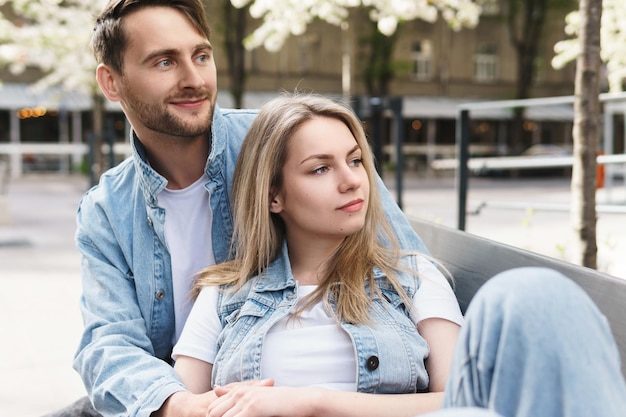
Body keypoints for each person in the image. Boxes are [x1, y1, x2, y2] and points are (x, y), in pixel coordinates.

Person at [48, 1, 429, 417]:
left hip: (284, 385)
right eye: (163, 62)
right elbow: (109, 342)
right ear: (112, 82)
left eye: (201, 56)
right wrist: (182, 405)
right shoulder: (107, 209)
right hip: (172, 394)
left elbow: (400, 269)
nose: (193, 79)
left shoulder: (283, 142)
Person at [172, 94, 626, 417]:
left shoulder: (411, 277)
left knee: (534, 292)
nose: (352, 181)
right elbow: (184, 407)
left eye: (354, 161)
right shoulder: (225, 294)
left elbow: (464, 399)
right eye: (321, 168)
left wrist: (311, 402)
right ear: (274, 197)